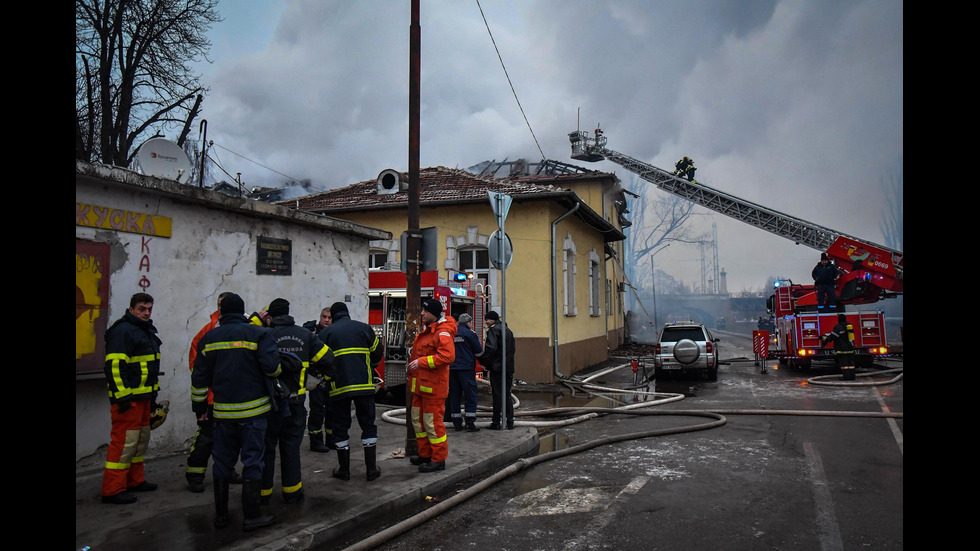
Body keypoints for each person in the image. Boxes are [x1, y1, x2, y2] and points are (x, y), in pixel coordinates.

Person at [192, 293, 281, 531]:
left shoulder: (209, 338)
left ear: (221, 313)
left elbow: (198, 378)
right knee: (252, 461)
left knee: (222, 462)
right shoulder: (259, 334)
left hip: (222, 414)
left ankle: (221, 516)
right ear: (243, 312)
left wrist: (199, 407)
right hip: (254, 414)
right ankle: (251, 516)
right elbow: (273, 370)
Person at [263, 298, 334, 504]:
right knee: (291, 447)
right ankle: (292, 491)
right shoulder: (305, 335)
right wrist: (321, 380)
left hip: (269, 404)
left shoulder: (264, 336)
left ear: (271, 316)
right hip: (295, 403)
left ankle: (263, 493)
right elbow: (328, 359)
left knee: (267, 448)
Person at [101, 292, 162, 505]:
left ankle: (135, 480)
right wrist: (122, 397)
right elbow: (115, 367)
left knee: (139, 442)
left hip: (143, 398)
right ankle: (112, 489)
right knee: (125, 444)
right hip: (129, 400)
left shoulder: (143, 331)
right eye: (142, 309)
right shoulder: (123, 331)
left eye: (149, 309)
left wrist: (152, 395)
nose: (146, 313)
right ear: (131, 309)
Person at [318, 302, 384, 481]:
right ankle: (371, 469)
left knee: (340, 427)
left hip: (338, 388)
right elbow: (378, 351)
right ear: (347, 313)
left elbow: (319, 360)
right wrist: (370, 366)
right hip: (364, 387)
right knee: (368, 425)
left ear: (333, 315)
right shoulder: (364, 329)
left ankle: (344, 470)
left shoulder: (325, 334)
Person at [185, 292, 244, 493]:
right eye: (218, 304)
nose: (220, 308)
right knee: (206, 439)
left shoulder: (240, 331)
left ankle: (227, 471)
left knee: (231, 439)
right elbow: (196, 366)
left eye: (223, 305)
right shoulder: (206, 332)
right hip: (212, 397)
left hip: (232, 397)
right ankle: (195, 475)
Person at [407, 299, 457, 472]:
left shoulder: (442, 332)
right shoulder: (430, 330)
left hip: (433, 389)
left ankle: (438, 459)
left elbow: (447, 357)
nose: (422, 313)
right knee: (419, 422)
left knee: (432, 424)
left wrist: (422, 362)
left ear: (433, 314)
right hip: (421, 387)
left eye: (425, 311)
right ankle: (426, 454)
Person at [304, 307, 335, 453]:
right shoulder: (312, 332)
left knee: (331, 411)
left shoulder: (335, 333)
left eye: (329, 317)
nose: (326, 320)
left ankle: (331, 439)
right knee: (317, 411)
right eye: (324, 317)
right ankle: (315, 442)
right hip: (316, 380)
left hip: (331, 379)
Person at [449, 313, 483, 432]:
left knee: (454, 396)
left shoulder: (451, 333)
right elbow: (478, 352)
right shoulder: (470, 334)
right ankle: (469, 422)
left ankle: (456, 423)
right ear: (468, 323)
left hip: (452, 369)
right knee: (470, 395)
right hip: (466, 369)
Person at [482, 310, 515, 430]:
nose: (486, 322)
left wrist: (486, 363)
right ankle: (510, 421)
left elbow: (490, 348)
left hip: (497, 368)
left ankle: (496, 422)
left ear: (492, 320)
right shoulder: (508, 331)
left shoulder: (493, 330)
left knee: (497, 395)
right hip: (508, 368)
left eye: (487, 319)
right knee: (507, 395)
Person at [822, 314, 856, 381]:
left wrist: (826, 339)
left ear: (839, 319)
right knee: (851, 363)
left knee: (844, 364)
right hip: (850, 348)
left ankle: (846, 377)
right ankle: (852, 376)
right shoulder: (849, 326)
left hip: (842, 349)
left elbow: (833, 336)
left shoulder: (838, 327)